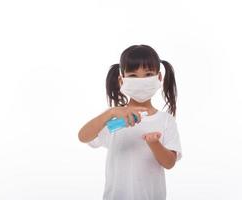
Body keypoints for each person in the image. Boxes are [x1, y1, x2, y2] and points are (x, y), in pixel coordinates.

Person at [78, 44, 182, 200]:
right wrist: (111, 112)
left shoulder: (165, 121)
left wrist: (154, 143)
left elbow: (169, 163)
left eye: (148, 74)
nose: (141, 80)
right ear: (122, 80)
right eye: (133, 76)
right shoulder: (114, 119)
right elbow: (83, 136)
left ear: (159, 77)